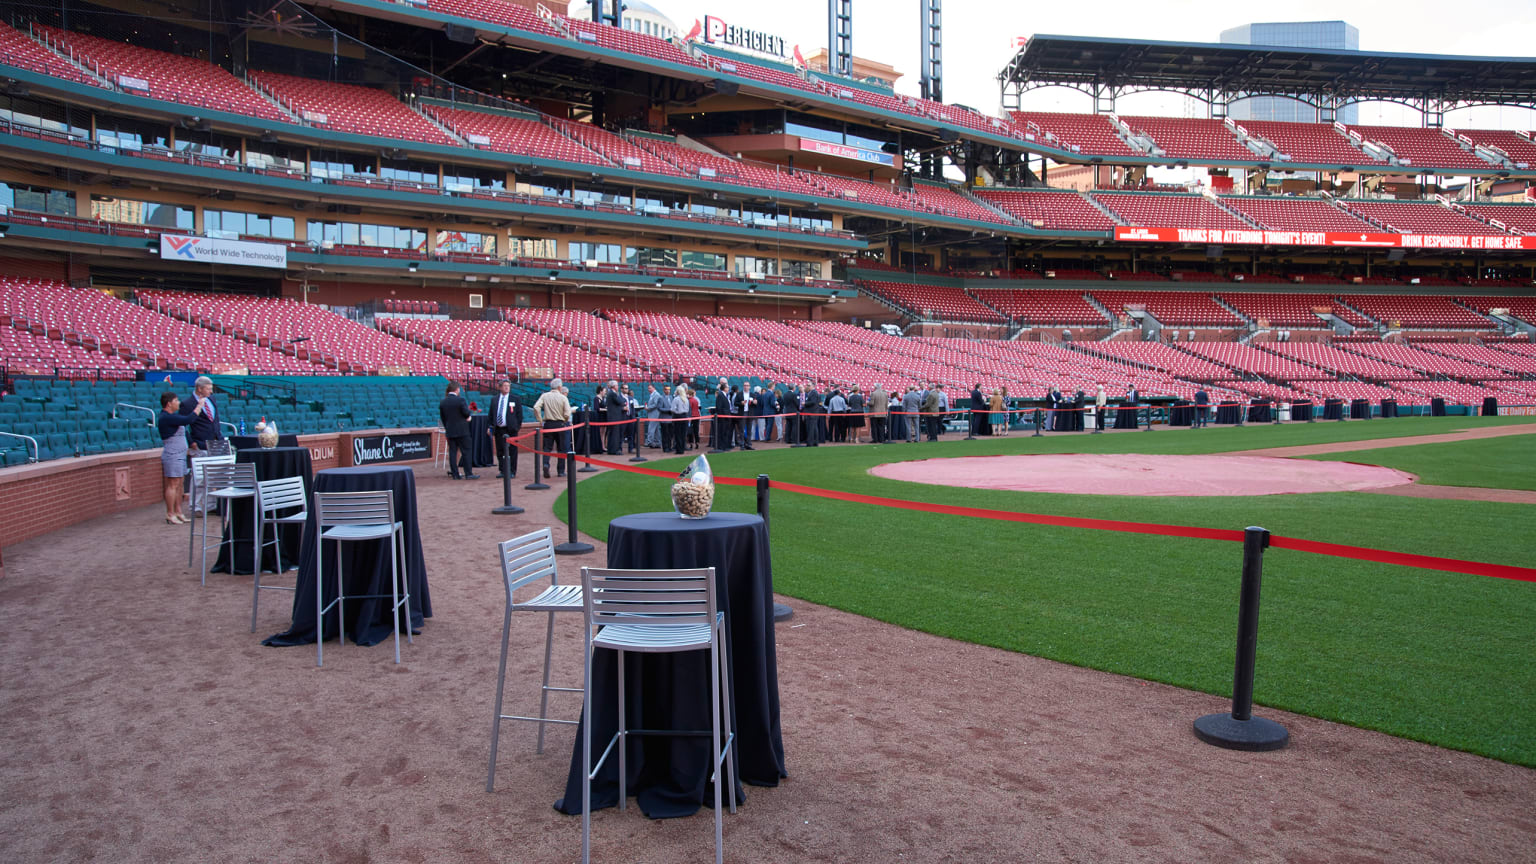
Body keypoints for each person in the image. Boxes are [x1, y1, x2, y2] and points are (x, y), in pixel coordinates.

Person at [158, 391, 198, 524]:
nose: (179, 403)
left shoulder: (173, 417)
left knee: (180, 483)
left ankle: (178, 511)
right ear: (169, 403)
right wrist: (199, 406)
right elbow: (188, 420)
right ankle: (170, 513)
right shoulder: (166, 417)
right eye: (176, 400)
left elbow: (184, 430)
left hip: (180, 454)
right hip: (172, 454)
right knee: (172, 484)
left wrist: (192, 443)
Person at [533, 377, 573, 478]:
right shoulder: (563, 398)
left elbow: (536, 407)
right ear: (560, 387)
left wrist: (540, 421)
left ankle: (546, 464)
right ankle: (560, 471)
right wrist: (564, 420)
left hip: (548, 424)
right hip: (560, 424)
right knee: (561, 449)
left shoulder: (544, 395)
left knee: (547, 448)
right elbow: (568, 413)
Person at [439, 382, 476, 479]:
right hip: (462, 431)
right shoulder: (460, 400)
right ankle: (468, 473)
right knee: (466, 451)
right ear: (457, 389)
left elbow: (443, 418)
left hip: (450, 431)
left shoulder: (443, 402)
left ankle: (455, 474)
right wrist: (468, 416)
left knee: (452, 452)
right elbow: (466, 412)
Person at [179, 375, 225, 453]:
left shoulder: (212, 398)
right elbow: (182, 426)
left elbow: (214, 420)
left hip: (218, 442)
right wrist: (191, 443)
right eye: (208, 389)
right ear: (199, 389)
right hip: (201, 445)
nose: (211, 391)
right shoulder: (187, 404)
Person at [489, 379, 521, 479]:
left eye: (508, 386)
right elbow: (491, 414)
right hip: (499, 429)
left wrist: (516, 426)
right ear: (500, 387)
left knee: (512, 450)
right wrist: (490, 426)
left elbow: (519, 415)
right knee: (500, 450)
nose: (507, 387)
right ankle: (502, 470)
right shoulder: (495, 399)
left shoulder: (515, 399)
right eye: (504, 386)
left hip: (511, 429)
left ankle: (512, 470)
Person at [604, 380, 626, 455]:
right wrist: (624, 400)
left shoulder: (611, 393)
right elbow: (620, 401)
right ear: (613, 386)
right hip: (614, 417)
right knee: (614, 434)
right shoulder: (613, 394)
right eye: (617, 385)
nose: (618, 387)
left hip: (613, 416)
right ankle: (614, 450)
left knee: (612, 433)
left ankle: (611, 449)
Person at [711, 383, 732, 451]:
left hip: (726, 417)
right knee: (722, 432)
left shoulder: (725, 395)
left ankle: (724, 446)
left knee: (725, 432)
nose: (728, 389)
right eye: (727, 387)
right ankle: (721, 446)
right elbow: (719, 407)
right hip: (723, 417)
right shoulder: (720, 395)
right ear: (724, 388)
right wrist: (722, 416)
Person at [669, 385, 689, 455]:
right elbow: (688, 409)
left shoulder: (676, 399)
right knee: (683, 434)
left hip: (678, 416)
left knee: (678, 434)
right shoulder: (686, 399)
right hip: (685, 416)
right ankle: (682, 448)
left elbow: (672, 409)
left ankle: (679, 449)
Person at [643, 384, 663, 448]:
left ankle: (649, 441)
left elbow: (655, 404)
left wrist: (648, 408)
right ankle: (658, 442)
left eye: (650, 388)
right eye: (648, 388)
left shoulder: (656, 395)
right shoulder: (652, 395)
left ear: (654, 388)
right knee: (656, 429)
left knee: (651, 428)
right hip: (653, 414)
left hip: (654, 414)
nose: (649, 390)